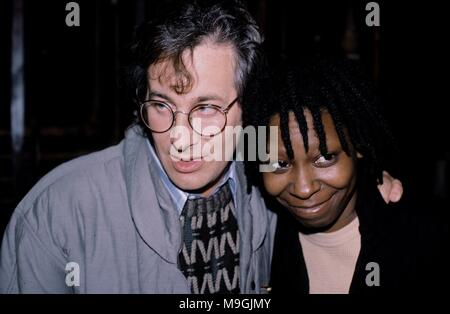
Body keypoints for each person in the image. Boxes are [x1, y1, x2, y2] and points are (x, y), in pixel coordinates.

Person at [0, 1, 401, 293]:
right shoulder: (56, 212)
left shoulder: (270, 177)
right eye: (161, 106)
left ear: (250, 104)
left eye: (206, 108)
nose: (180, 137)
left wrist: (365, 185)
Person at [244, 57, 447, 294]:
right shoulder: (260, 240)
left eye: (325, 157)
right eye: (279, 164)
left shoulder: (424, 242)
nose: (303, 188)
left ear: (358, 147)